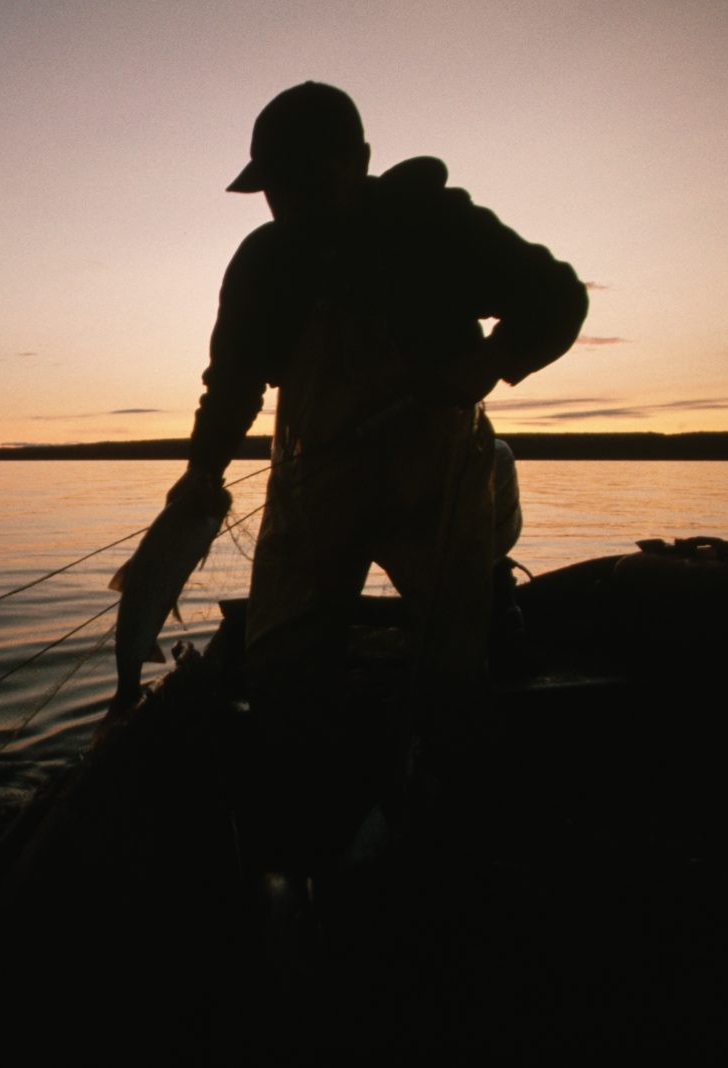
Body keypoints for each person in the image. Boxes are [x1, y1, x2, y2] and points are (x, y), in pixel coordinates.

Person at [172, 83, 586, 832]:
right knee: (281, 669)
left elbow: (557, 296)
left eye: (311, 182)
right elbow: (231, 385)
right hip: (315, 485)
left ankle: (450, 812)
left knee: (455, 674)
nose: (291, 206)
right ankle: (307, 825)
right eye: (276, 190)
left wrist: (493, 359)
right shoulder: (264, 265)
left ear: (359, 163)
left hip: (437, 481)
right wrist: (202, 470)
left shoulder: (433, 224)